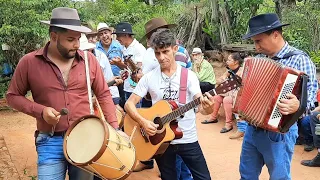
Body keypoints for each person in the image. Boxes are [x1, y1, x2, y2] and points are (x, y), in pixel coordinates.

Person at [5, 7, 122, 180]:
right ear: (53, 37)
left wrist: (114, 128)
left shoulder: (89, 61)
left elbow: (104, 94)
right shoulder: (29, 63)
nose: (77, 44)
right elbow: (12, 97)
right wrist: (41, 111)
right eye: (70, 39)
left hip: (86, 139)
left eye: (78, 39)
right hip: (50, 141)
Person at [125, 28, 212, 180]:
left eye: (165, 51)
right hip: (160, 141)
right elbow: (129, 104)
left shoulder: (189, 76)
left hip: (187, 138)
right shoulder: (149, 78)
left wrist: (208, 107)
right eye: (157, 53)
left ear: (175, 49)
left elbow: (201, 107)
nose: (161, 57)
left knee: (204, 178)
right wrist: (143, 122)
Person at [239, 13, 318, 179]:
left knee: (279, 177)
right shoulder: (258, 59)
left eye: (258, 41)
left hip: (280, 132)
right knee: (246, 175)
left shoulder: (299, 59)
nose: (256, 46)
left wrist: (298, 106)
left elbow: (311, 98)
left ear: (275, 35)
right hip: (252, 129)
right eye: (254, 42)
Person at [137, 17, 193, 179]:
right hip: (157, 106)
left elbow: (177, 83)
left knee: (179, 157)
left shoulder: (179, 52)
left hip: (177, 109)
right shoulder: (150, 54)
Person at [201, 52, 244, 134]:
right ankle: (213, 117)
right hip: (229, 92)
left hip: (238, 95)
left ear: (235, 62)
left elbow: (238, 89)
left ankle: (229, 124)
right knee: (217, 98)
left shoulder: (240, 72)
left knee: (226, 100)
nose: (227, 61)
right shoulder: (230, 70)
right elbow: (219, 80)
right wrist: (224, 79)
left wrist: (224, 83)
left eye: (229, 60)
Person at [113, 22, 146, 107]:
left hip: (136, 89)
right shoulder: (124, 48)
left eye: (118, 36)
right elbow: (127, 68)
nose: (117, 39)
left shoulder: (138, 48)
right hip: (127, 86)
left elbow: (138, 69)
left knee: (136, 114)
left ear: (126, 35)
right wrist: (118, 64)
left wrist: (121, 63)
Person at [96, 22, 126, 108]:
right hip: (105, 84)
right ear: (98, 37)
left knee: (122, 106)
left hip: (120, 81)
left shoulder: (119, 46)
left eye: (106, 33)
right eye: (101, 34)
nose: (104, 36)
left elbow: (126, 65)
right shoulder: (95, 48)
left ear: (110, 33)